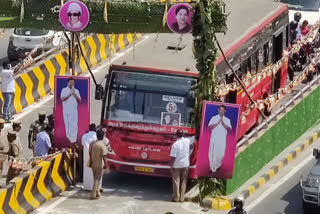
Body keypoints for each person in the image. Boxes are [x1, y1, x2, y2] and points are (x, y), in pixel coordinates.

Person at [170, 129, 194, 202]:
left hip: (177, 165)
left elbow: (173, 157)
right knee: (184, 181)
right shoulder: (187, 141)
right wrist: (188, 152)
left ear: (176, 135)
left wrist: (171, 166)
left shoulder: (175, 144)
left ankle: (176, 198)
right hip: (185, 164)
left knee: (176, 181)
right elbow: (191, 146)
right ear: (183, 134)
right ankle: (182, 198)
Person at [208, 105, 232, 173]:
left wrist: (223, 124)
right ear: (218, 110)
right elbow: (210, 126)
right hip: (214, 139)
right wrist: (217, 123)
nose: (221, 111)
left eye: (222, 110)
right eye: (220, 110)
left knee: (221, 154)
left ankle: (218, 166)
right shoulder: (214, 118)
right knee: (212, 153)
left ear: (225, 111)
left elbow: (229, 129)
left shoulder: (227, 120)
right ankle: (212, 168)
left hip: (222, 140)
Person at [60, 77, 81, 144]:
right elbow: (62, 99)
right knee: (67, 124)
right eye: (70, 82)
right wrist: (69, 94)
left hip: (74, 111)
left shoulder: (76, 91)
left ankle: (73, 140)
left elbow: (79, 100)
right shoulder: (64, 90)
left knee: (74, 125)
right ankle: (68, 139)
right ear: (68, 83)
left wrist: (74, 94)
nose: (72, 84)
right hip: (66, 111)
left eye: (73, 82)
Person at [89, 130, 108, 200]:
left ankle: (97, 192)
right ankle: (93, 194)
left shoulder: (92, 143)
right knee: (97, 179)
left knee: (95, 178)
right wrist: (106, 165)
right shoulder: (102, 145)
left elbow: (90, 153)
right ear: (103, 137)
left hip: (93, 163)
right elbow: (104, 157)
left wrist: (90, 161)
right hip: (100, 164)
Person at [81, 123, 97, 191]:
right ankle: (95, 187)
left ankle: (87, 187)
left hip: (86, 156)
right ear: (95, 129)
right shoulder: (97, 136)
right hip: (96, 156)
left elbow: (82, 143)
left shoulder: (84, 136)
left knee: (87, 171)